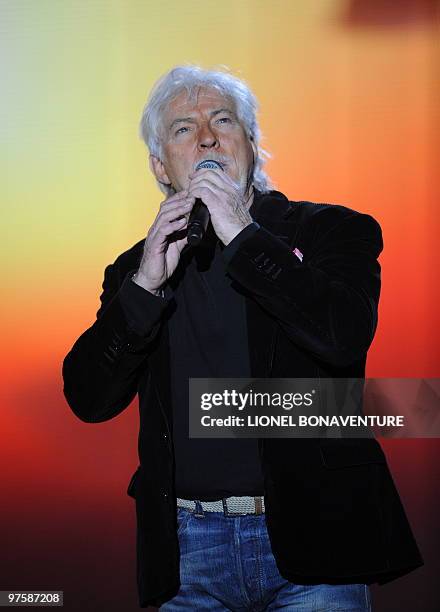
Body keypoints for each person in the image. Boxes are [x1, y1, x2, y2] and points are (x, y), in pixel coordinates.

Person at [62, 65, 423, 610]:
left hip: (315, 545)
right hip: (188, 556)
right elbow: (89, 399)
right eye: (183, 128)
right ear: (161, 165)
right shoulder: (133, 270)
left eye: (222, 120)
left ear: (251, 147)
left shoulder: (332, 230)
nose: (206, 135)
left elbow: (343, 337)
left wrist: (243, 234)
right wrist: (144, 287)